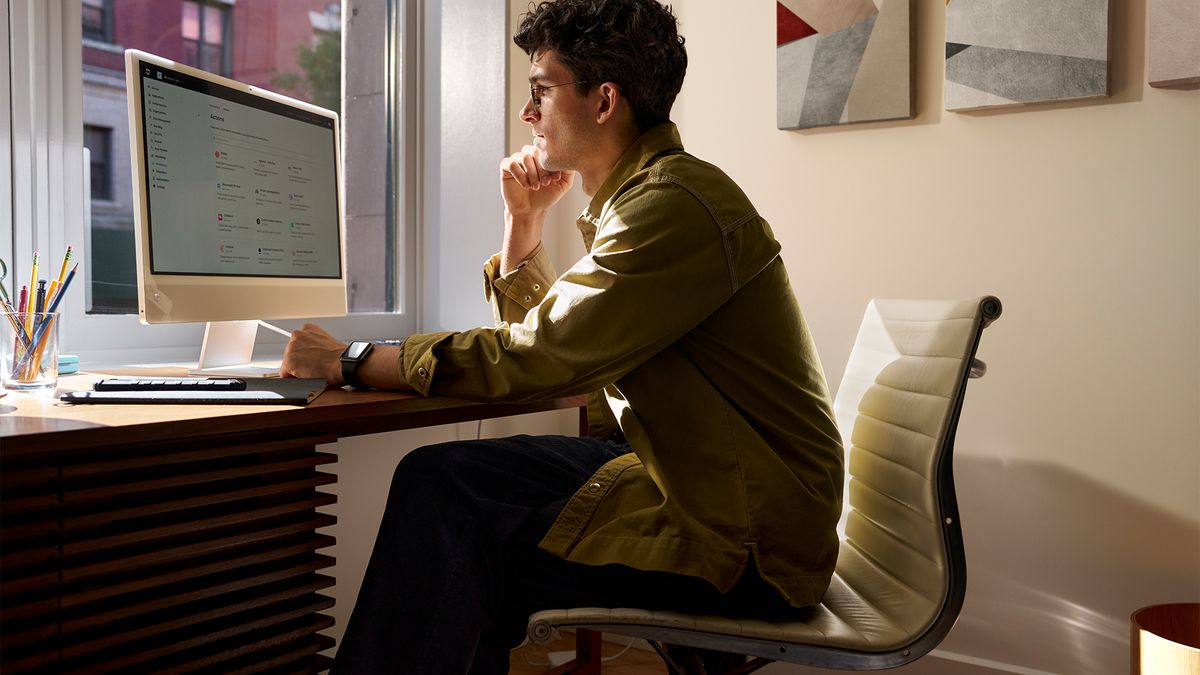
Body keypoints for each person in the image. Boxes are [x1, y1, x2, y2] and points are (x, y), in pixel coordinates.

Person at [281, 1, 844, 672]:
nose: (528, 114)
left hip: (746, 540)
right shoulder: (649, 200)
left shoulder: (673, 206)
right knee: (441, 478)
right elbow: (568, 345)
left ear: (604, 101)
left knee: (459, 522)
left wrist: (350, 358)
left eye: (542, 91)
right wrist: (525, 224)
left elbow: (547, 357)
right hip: (702, 485)